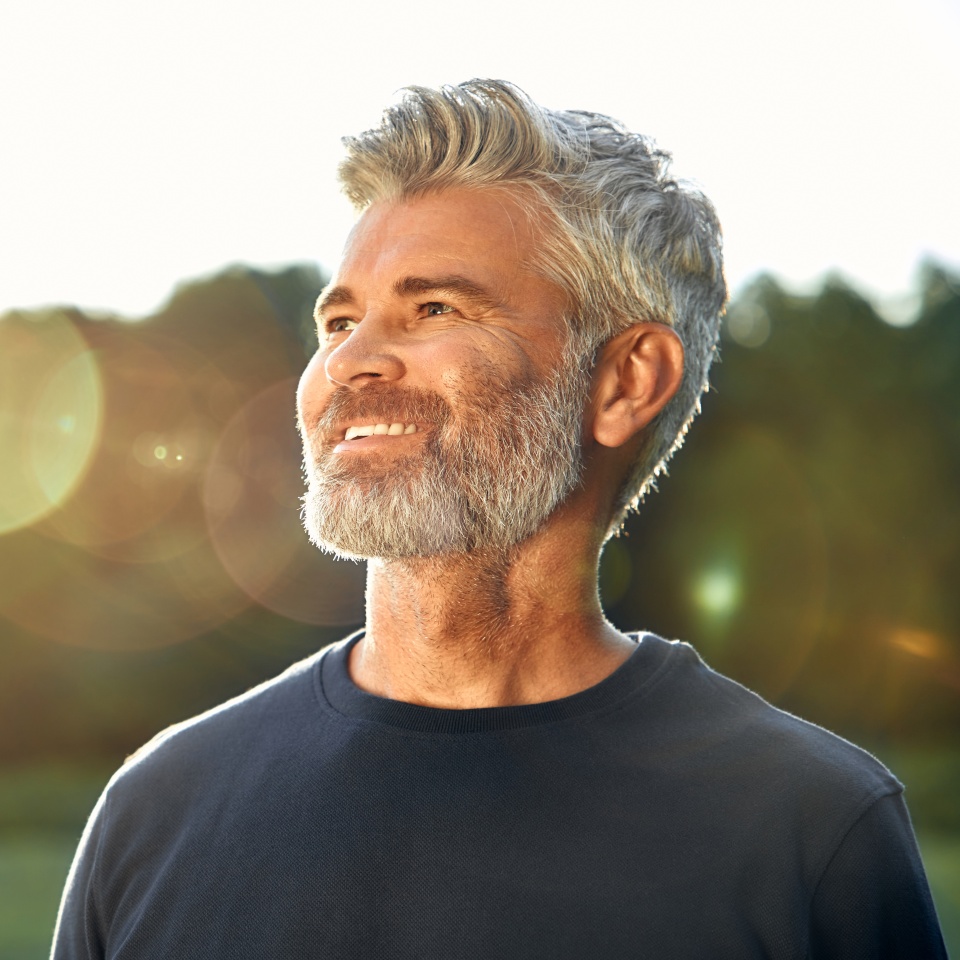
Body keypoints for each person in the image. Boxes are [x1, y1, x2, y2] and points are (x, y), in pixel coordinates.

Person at [52, 80, 946, 959]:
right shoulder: (157, 809)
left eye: (433, 308)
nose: (351, 363)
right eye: (338, 322)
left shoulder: (814, 834)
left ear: (627, 380)